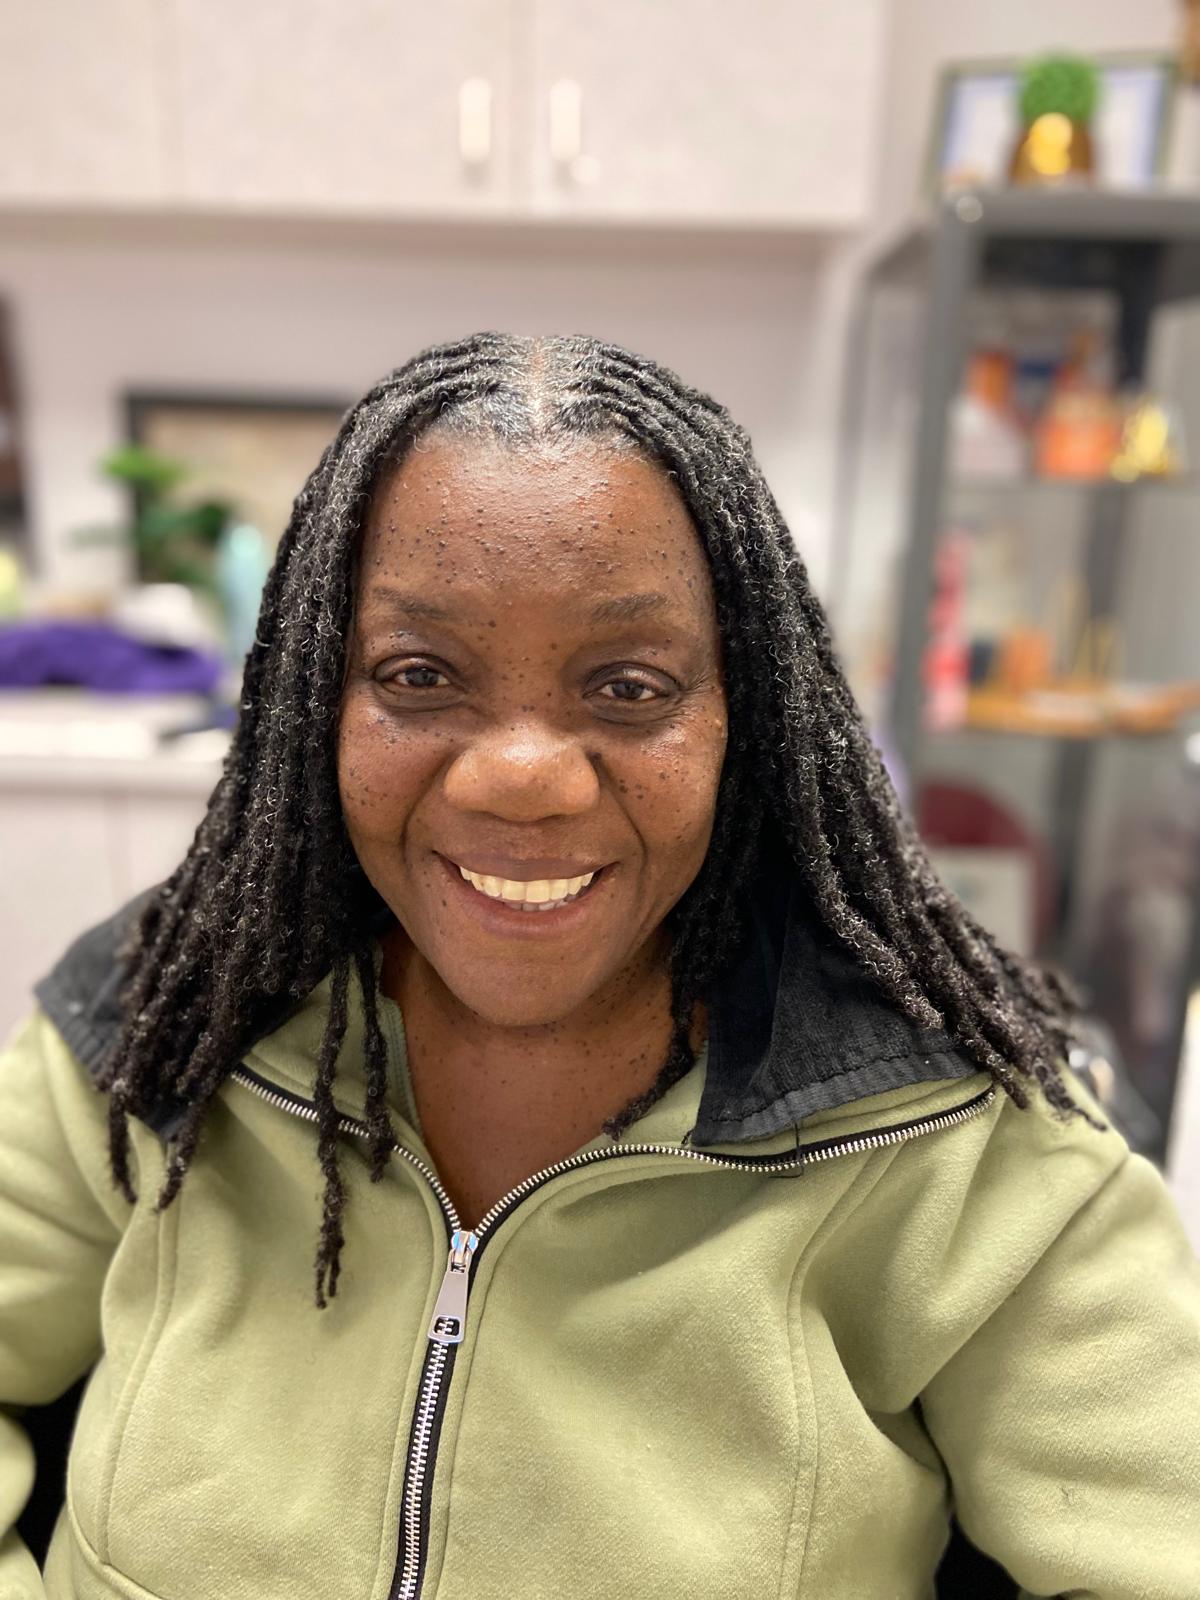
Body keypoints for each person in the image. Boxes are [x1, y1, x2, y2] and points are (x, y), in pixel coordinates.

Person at [2, 332, 1198, 1600]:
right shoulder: (163, 1018)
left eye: (628, 687)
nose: (522, 775)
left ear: (745, 716)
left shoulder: (961, 1143)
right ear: (316, 698)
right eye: (419, 675)